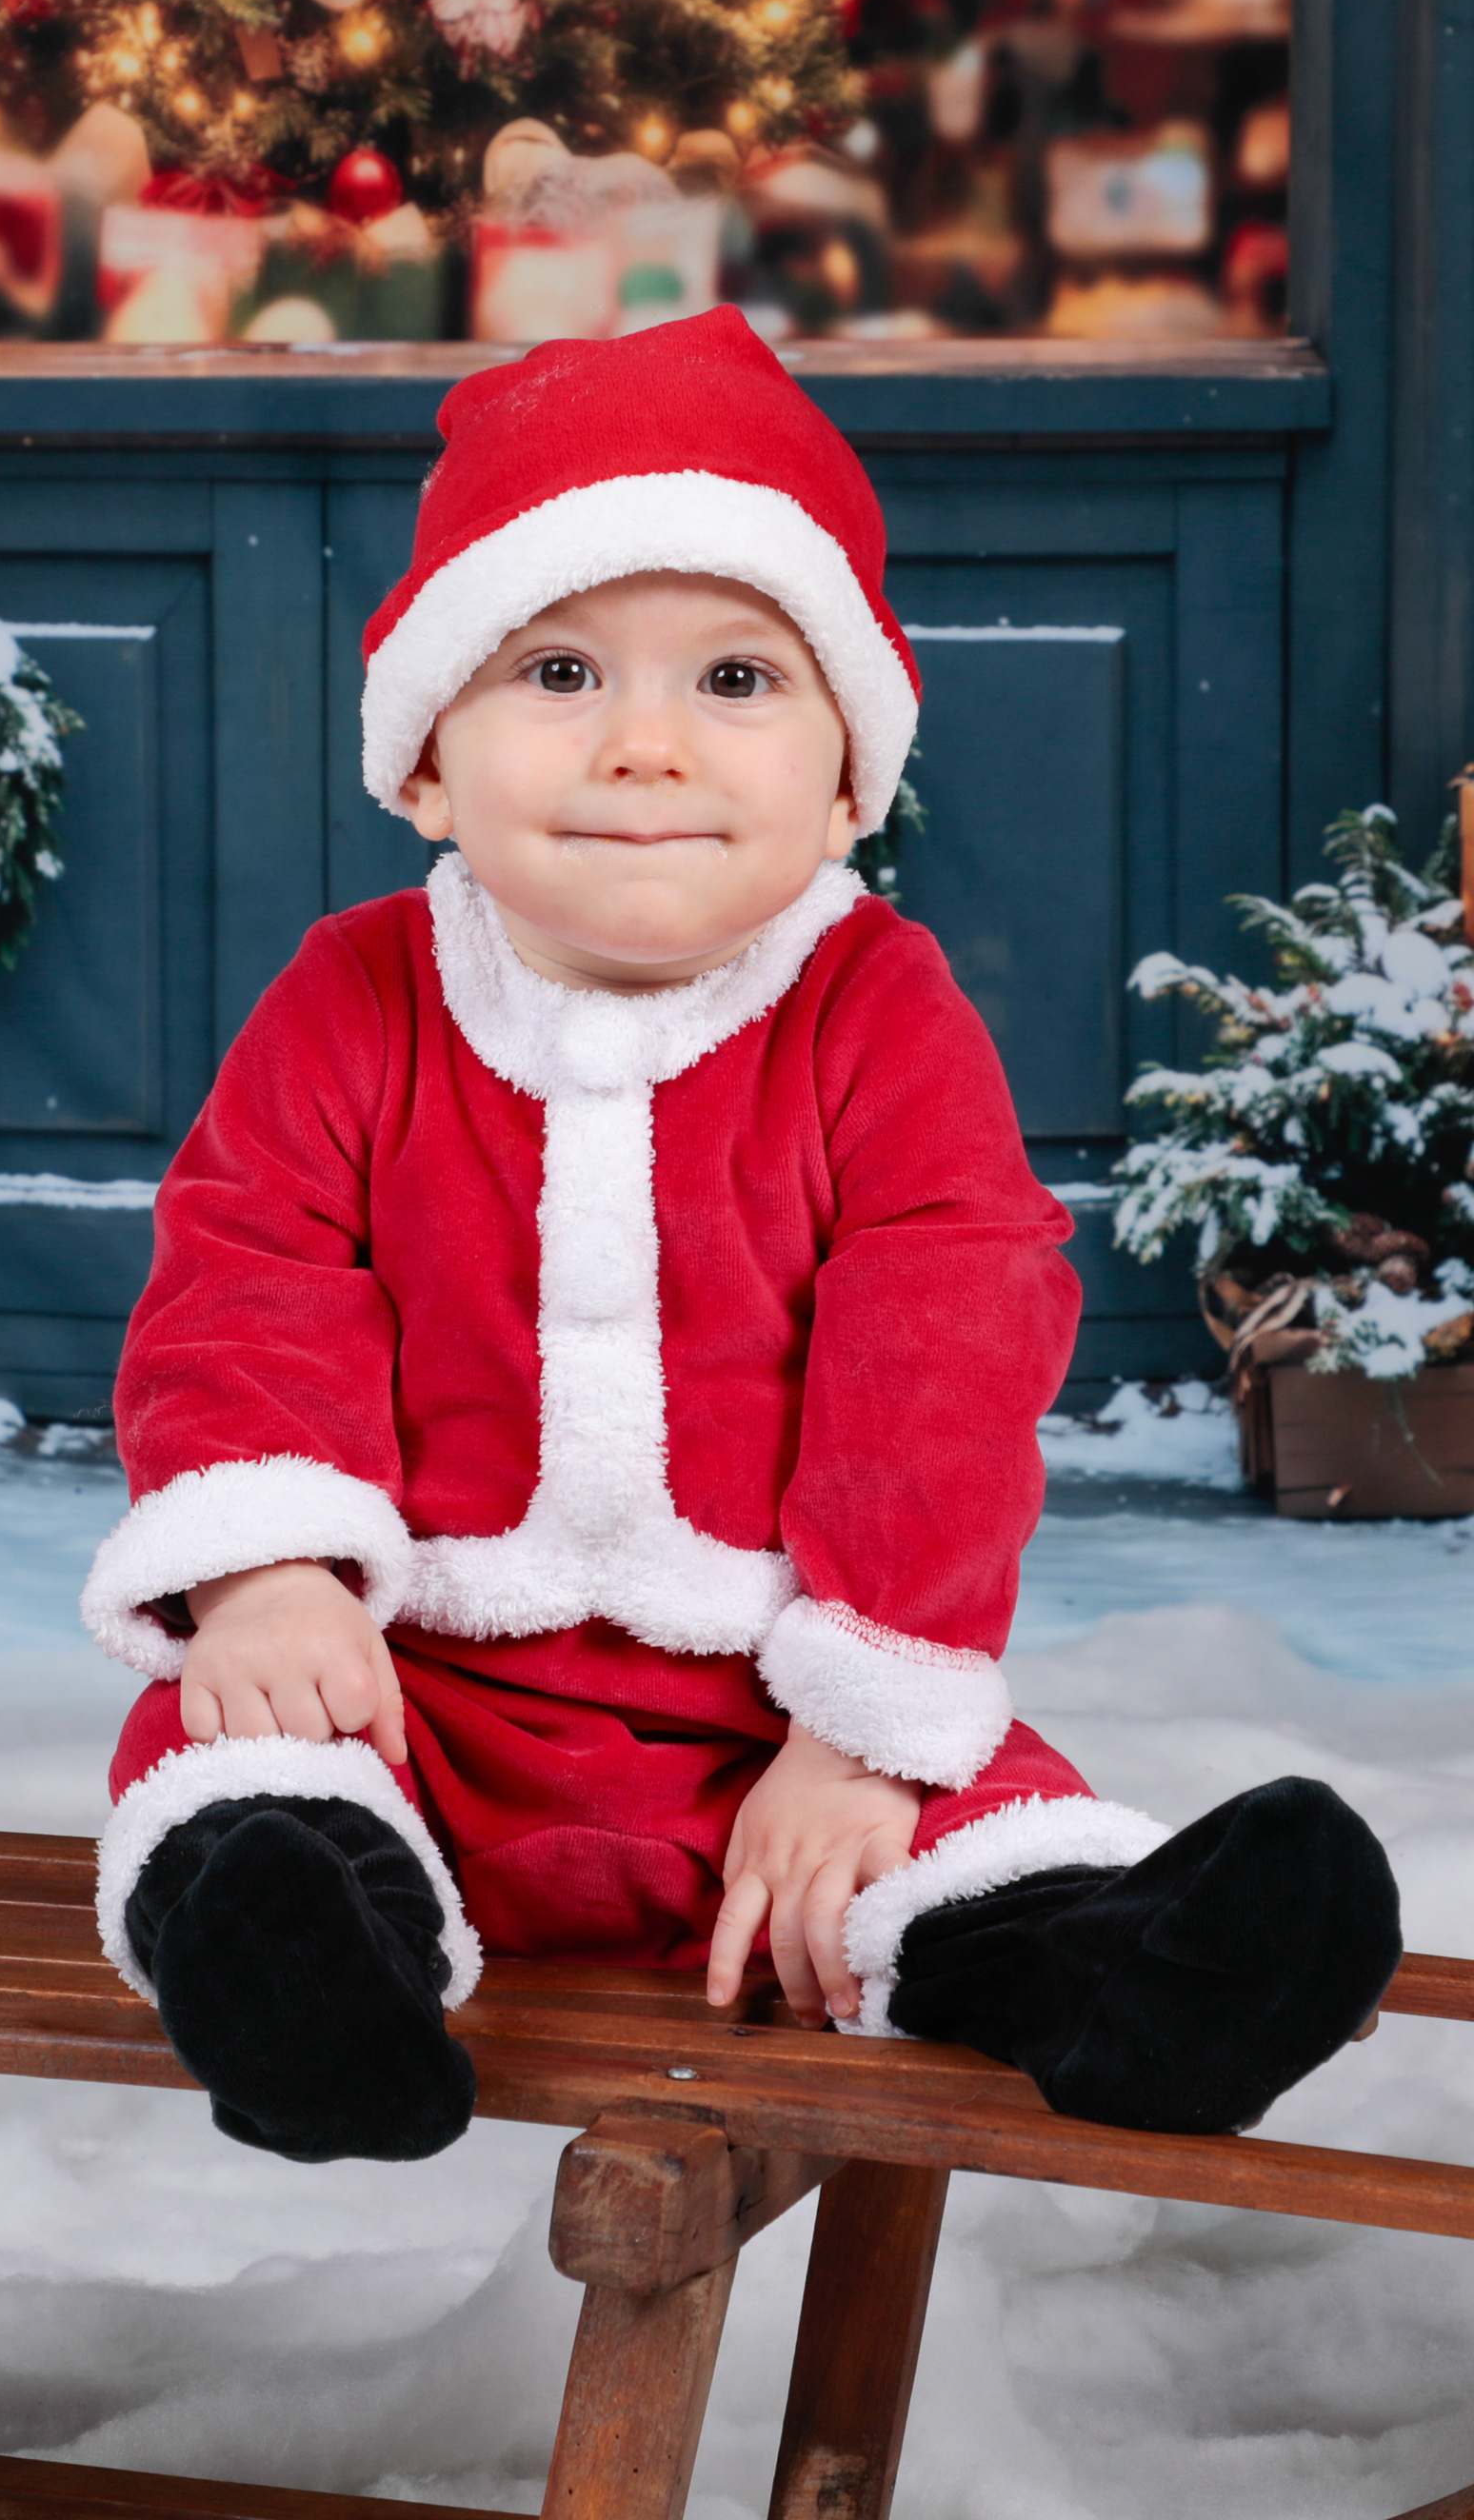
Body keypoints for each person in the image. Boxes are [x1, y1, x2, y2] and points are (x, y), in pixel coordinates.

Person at [80, 307, 1400, 2164]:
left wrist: (861, 1726)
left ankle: (1121, 1977)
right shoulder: (358, 995)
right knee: (243, 1768)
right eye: (553, 672)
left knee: (954, 1825)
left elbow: (943, 1349)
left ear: (852, 779)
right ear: (428, 763)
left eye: (734, 680)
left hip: (761, 1726)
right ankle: (314, 1975)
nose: (643, 748)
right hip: (424, 1690)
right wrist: (274, 1570)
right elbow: (250, 1266)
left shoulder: (880, 1016)